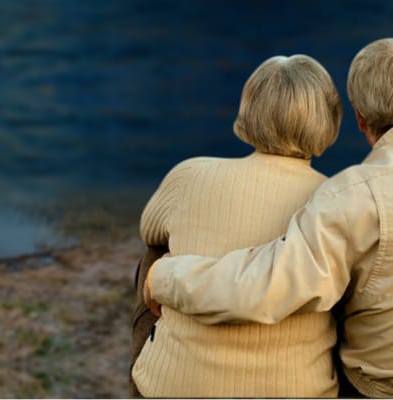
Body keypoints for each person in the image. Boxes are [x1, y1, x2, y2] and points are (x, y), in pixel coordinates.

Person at [144, 38, 393, 398]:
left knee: (333, 280)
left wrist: (162, 277)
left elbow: (266, 288)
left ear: (360, 120)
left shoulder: (354, 194)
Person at [131, 55, 343, 397]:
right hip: (298, 390)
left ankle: (160, 356)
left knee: (155, 251)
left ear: (249, 111)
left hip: (172, 389)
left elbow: (149, 227)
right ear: (329, 119)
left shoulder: (190, 174)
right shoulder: (336, 197)